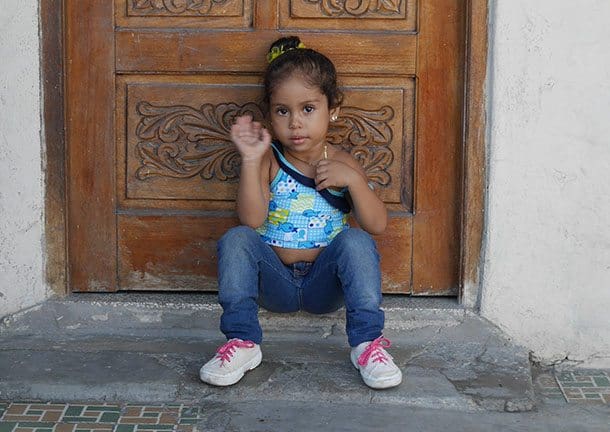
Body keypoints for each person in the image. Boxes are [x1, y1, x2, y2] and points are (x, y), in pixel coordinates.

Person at [199, 36, 402, 390]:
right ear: (270, 114)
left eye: (308, 109)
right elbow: (251, 219)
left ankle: (367, 344)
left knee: (355, 240)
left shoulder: (342, 163)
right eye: (283, 111)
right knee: (237, 239)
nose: (295, 123)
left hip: (323, 286)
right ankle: (243, 342)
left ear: (332, 108)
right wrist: (250, 160)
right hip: (274, 283)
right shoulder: (269, 160)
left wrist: (353, 181)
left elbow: (377, 225)